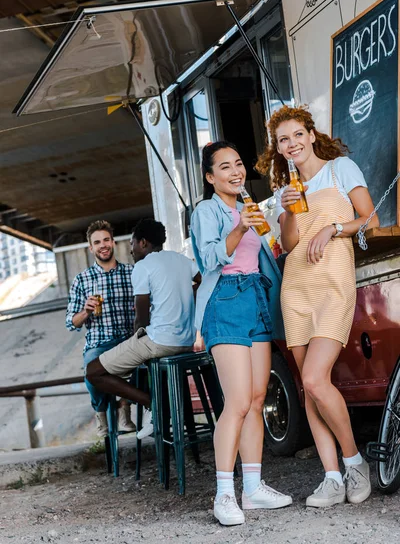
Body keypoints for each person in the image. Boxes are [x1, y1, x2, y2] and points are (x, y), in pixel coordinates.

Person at [256, 105, 379, 508]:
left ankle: (354, 461)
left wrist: (332, 227)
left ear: (311, 134)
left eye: (296, 135)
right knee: (310, 389)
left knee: (313, 377)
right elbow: (289, 245)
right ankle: (331, 477)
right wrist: (289, 209)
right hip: (296, 289)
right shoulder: (283, 193)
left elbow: (371, 218)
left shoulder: (341, 169)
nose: (291, 145)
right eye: (283, 141)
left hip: (333, 284)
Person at [190, 141, 292, 527]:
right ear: (210, 177)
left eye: (238, 165)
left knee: (255, 396)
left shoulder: (247, 206)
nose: (235, 172)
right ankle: (223, 494)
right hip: (225, 300)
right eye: (225, 167)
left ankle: (252, 487)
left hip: (255, 296)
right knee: (235, 401)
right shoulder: (208, 210)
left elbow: (260, 255)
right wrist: (240, 227)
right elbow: (210, 256)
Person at [86, 218, 201, 439]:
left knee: (93, 372)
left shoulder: (143, 266)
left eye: (132, 243)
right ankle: (154, 405)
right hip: (186, 342)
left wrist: (134, 337)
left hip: (159, 342)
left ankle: (154, 405)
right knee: (136, 366)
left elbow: (142, 319)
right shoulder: (181, 260)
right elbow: (203, 280)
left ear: (144, 243)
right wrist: (187, 299)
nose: (130, 249)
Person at [66, 220, 136, 437]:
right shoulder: (82, 279)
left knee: (144, 366)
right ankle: (102, 415)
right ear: (91, 248)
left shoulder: (132, 272)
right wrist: (86, 311)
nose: (103, 245)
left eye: (106, 240)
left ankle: (125, 411)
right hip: (98, 343)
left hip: (128, 340)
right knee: (90, 370)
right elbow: (71, 322)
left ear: (113, 242)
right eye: (97, 242)